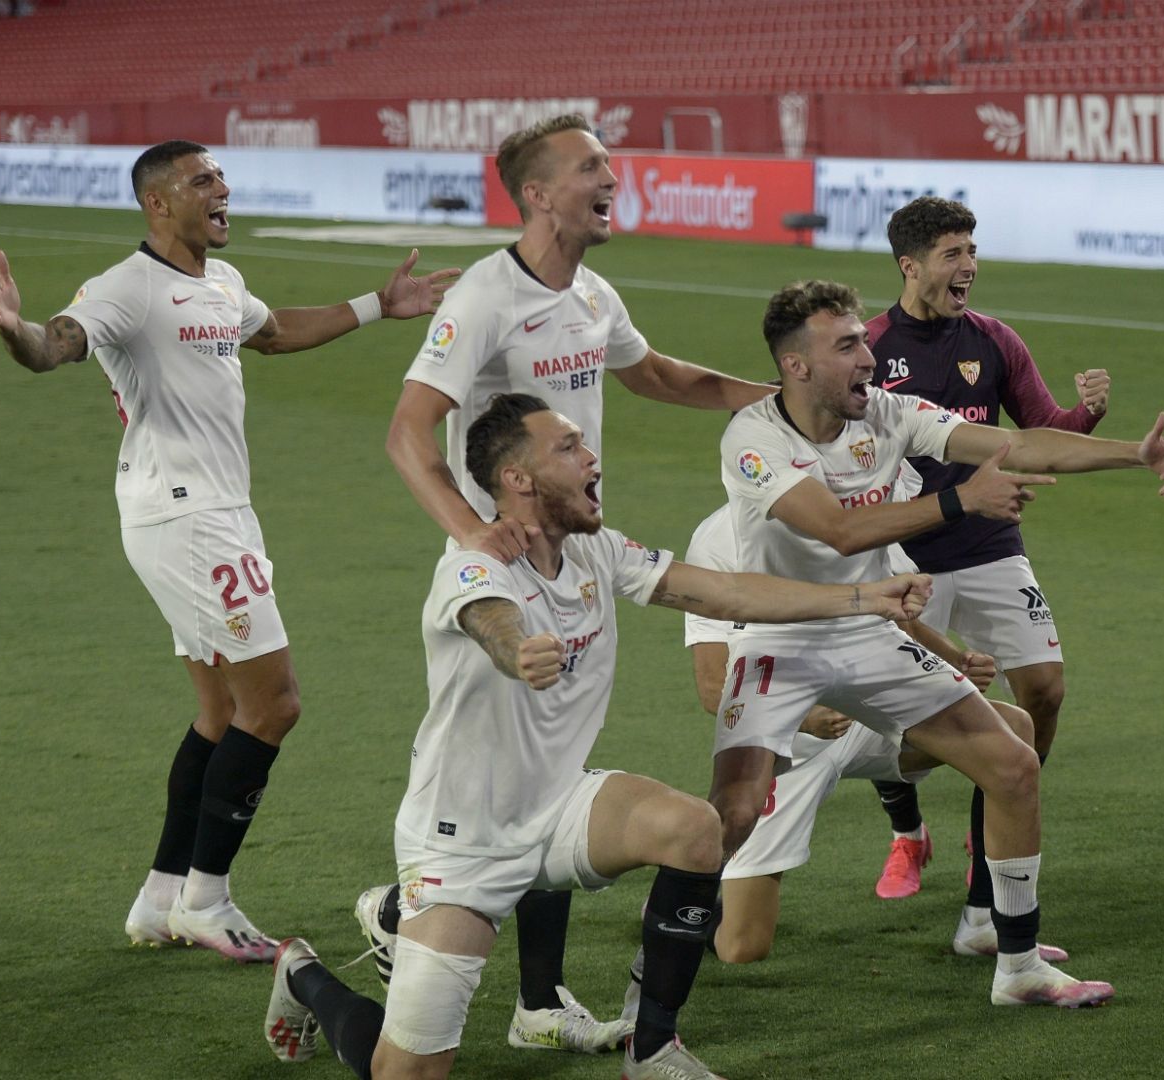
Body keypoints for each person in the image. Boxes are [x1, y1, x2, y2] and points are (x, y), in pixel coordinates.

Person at [261, 392, 933, 1080]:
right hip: (462, 846)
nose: (592, 459)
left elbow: (723, 594)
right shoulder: (473, 566)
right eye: (569, 448)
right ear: (518, 480)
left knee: (696, 830)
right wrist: (517, 650)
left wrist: (864, 598)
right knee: (404, 1074)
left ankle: (653, 1048)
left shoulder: (597, 551)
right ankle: (304, 974)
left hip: (559, 807)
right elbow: (489, 619)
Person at [0, 139, 456, 961]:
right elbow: (55, 345)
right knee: (274, 705)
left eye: (222, 177)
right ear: (157, 203)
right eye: (203, 180)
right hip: (185, 517)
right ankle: (209, 897)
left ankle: (161, 896)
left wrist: (381, 304)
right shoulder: (127, 289)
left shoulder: (222, 282)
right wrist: (16, 329)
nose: (223, 189)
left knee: (221, 711)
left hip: (213, 514)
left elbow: (273, 333)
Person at [706, 278, 1164, 1008]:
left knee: (1012, 762)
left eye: (863, 340)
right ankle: (662, 957)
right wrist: (959, 500)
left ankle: (1014, 963)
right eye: (847, 345)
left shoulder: (888, 413)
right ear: (797, 365)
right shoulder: (754, 439)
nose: (867, 358)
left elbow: (1018, 442)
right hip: (779, 642)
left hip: (869, 627)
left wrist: (1133, 454)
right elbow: (839, 529)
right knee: (730, 873)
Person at [380, 112, 777, 1050]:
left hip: (575, 546)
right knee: (503, 784)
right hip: (503, 567)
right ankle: (409, 916)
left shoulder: (594, 295)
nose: (614, 177)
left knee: (552, 771)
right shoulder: (483, 296)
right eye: (592, 167)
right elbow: (408, 432)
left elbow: (663, 377)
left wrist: (776, 401)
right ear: (537, 194)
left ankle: (535, 1004)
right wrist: (478, 532)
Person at [681, 476, 1066, 965]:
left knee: (1011, 732)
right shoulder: (719, 539)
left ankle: (987, 922)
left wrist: (957, 658)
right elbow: (714, 688)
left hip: (861, 724)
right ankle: (683, 893)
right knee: (742, 947)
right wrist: (806, 719)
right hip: (789, 748)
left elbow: (899, 616)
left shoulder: (859, 521)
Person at [861, 195, 1111, 909]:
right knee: (889, 716)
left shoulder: (995, 340)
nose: (968, 266)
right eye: (952, 254)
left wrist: (1086, 413)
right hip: (904, 558)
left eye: (972, 251)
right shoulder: (870, 348)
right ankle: (907, 832)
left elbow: (1044, 431)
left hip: (993, 547)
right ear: (911, 265)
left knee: (1045, 689)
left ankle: (1001, 808)